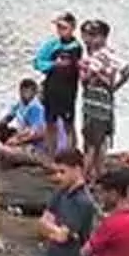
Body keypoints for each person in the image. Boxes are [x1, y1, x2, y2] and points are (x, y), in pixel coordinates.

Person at [80, 19, 129, 180]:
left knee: (91, 143)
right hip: (96, 102)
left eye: (93, 35)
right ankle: (98, 174)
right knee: (99, 140)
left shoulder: (102, 55)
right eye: (87, 35)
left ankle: (86, 177)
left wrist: (111, 84)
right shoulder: (97, 54)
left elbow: (127, 70)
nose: (88, 39)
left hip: (98, 103)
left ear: (103, 37)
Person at [35, 12, 83, 156]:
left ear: (72, 28)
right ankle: (51, 155)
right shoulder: (51, 44)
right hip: (51, 88)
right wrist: (53, 64)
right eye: (58, 27)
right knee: (50, 123)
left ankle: (70, 155)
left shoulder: (76, 47)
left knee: (68, 124)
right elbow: (38, 62)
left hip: (67, 91)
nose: (60, 30)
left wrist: (58, 64)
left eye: (63, 27)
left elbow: (72, 65)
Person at [0, 79, 46, 167]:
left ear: (34, 93)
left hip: (31, 143)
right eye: (22, 91)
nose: (23, 95)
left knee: (6, 152)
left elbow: (33, 133)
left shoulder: (36, 108)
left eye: (27, 92)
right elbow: (8, 117)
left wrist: (17, 140)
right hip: (20, 134)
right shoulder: (20, 103)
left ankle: (7, 152)